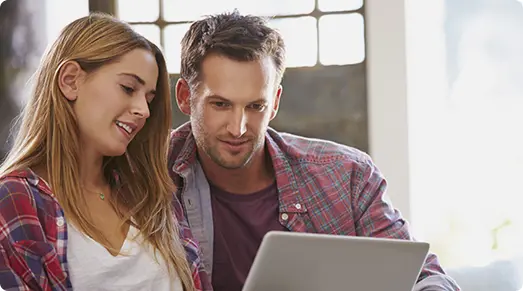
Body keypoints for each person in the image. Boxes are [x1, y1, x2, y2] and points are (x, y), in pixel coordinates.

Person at [169, 10, 460, 291]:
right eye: (220, 104)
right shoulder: (148, 172)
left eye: (255, 106)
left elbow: (425, 276)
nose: (238, 127)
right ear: (185, 97)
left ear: (275, 103)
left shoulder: (347, 176)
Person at [0, 13, 209, 291]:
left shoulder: (152, 196)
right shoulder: (15, 200)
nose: (144, 111)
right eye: (128, 88)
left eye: (149, 98)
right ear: (71, 80)